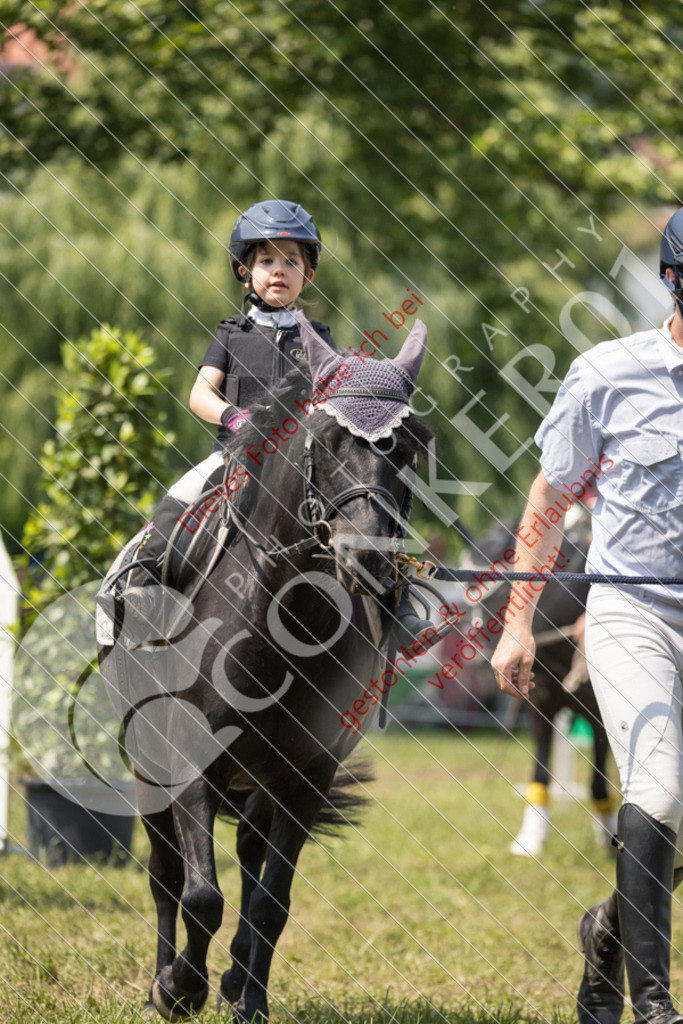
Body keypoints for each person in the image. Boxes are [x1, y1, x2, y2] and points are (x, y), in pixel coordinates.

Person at [491, 208, 683, 1024]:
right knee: (660, 794)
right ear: (674, 281)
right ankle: (652, 1005)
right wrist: (513, 622)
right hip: (632, 609)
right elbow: (549, 495)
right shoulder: (609, 372)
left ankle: (606, 934)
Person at [120, 198, 434, 644]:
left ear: (307, 274)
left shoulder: (318, 339)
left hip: (300, 466)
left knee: (369, 508)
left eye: (291, 261)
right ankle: (144, 588)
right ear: (246, 271)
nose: (279, 270)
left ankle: (396, 608)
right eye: (266, 259)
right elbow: (198, 394)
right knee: (177, 503)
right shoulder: (230, 332)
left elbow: (334, 402)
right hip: (234, 460)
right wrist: (235, 417)